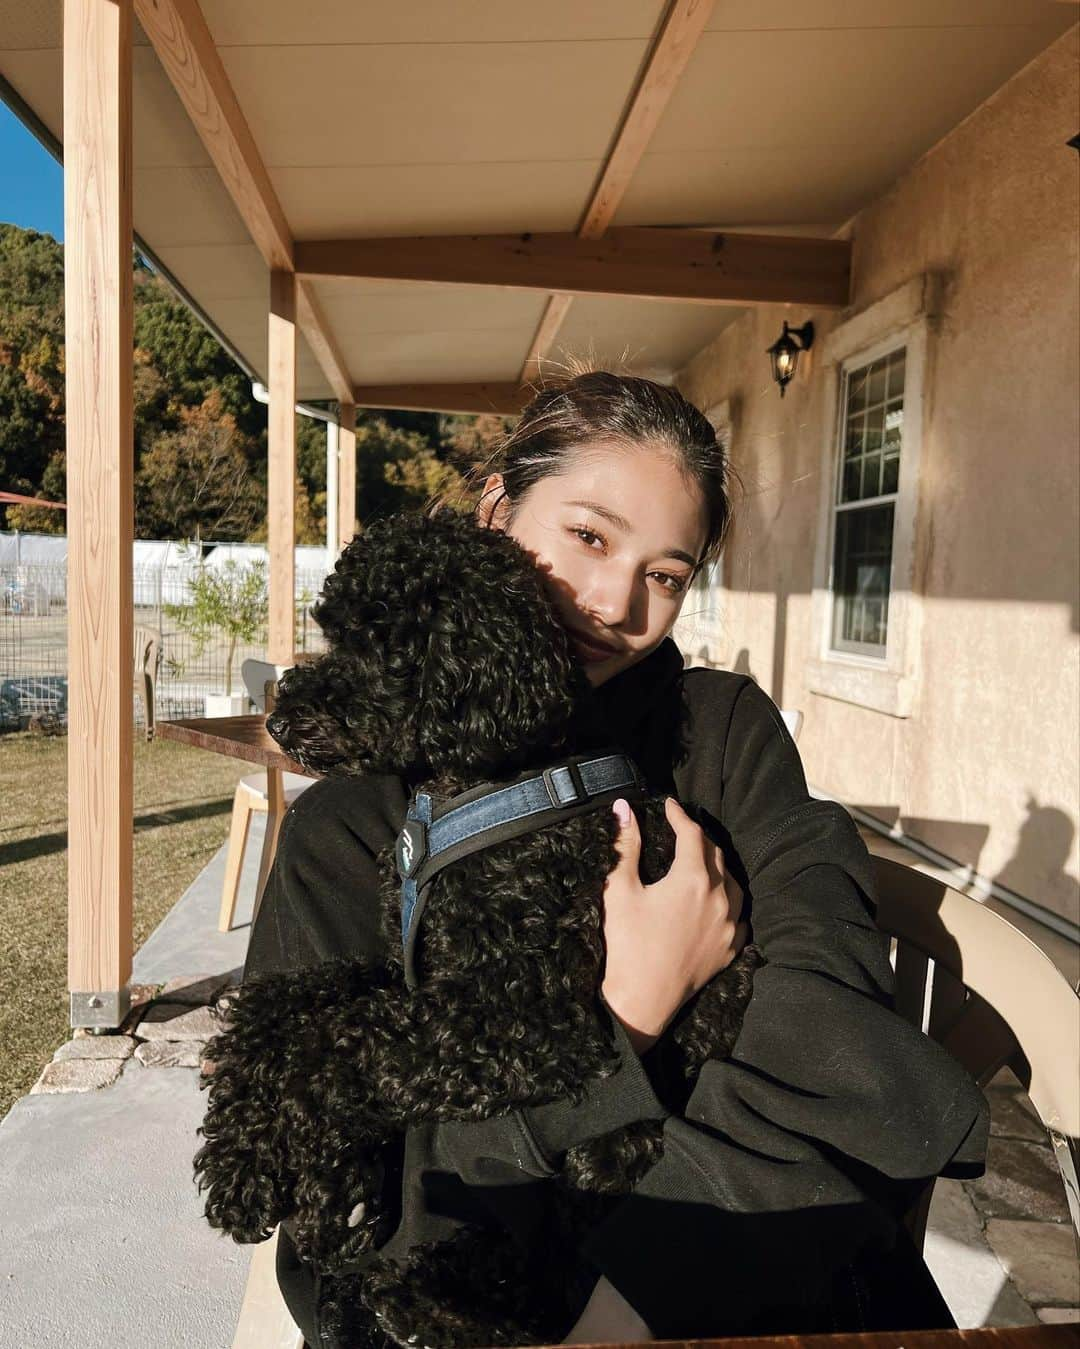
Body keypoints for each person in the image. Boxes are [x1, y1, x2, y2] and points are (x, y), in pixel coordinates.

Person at [240, 367, 988, 1347]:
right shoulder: (357, 815)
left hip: (733, 1272)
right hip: (462, 1299)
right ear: (500, 510)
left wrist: (630, 1305)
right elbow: (341, 1162)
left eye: (667, 572)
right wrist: (618, 1018)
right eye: (587, 535)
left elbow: (837, 1037)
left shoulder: (718, 737)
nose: (614, 601)